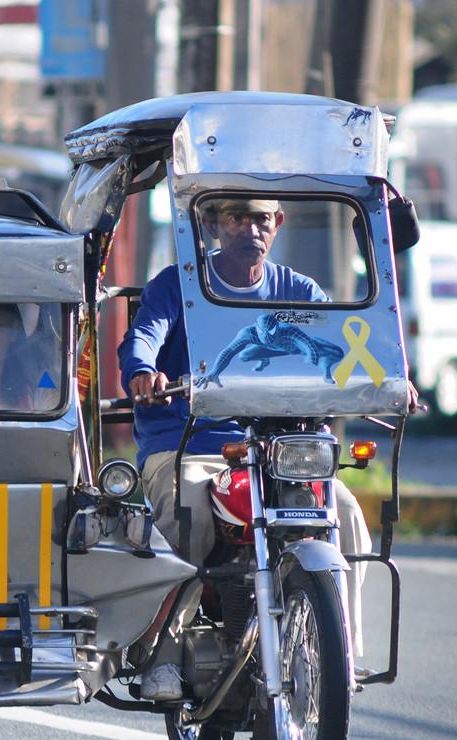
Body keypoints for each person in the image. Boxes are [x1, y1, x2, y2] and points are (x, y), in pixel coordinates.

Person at [119, 196, 398, 701]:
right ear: (212, 224)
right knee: (188, 511)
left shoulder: (299, 291)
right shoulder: (177, 284)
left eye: (261, 219)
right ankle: (164, 652)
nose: (250, 229)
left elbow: (346, 349)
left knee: (346, 511)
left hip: (277, 449)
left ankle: (341, 651)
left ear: (278, 224)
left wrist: (390, 379)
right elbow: (143, 337)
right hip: (191, 446)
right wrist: (143, 372)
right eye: (236, 218)